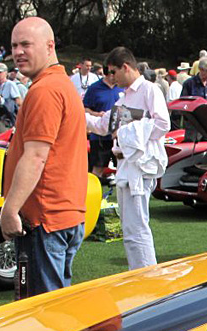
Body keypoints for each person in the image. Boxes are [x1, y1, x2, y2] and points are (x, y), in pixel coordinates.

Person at [0, 17, 88, 295]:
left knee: (42, 319)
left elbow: (36, 156)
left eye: (26, 44)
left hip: (44, 219)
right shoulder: (60, 84)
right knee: (56, 311)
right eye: (14, 45)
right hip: (62, 215)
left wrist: (10, 209)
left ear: (49, 46)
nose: (18, 52)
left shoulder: (46, 90)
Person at [84, 47, 169, 271]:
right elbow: (105, 126)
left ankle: (147, 276)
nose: (111, 77)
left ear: (125, 67)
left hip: (140, 166)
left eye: (113, 72)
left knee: (137, 227)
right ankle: (139, 273)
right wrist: (75, 115)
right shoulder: (123, 97)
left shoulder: (150, 90)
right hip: (125, 165)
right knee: (130, 227)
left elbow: (163, 125)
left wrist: (126, 135)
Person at [83, 66, 123, 175]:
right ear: (109, 74)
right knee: (98, 168)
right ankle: (94, 189)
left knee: (122, 167)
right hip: (99, 137)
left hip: (118, 136)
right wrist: (97, 114)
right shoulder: (94, 88)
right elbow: (84, 108)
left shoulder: (122, 88)